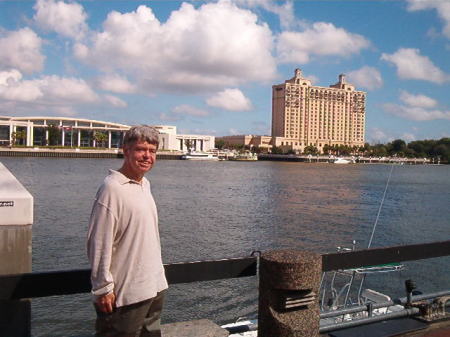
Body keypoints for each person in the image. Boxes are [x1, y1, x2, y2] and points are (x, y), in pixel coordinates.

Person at [87, 125, 168, 337]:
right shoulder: (111, 189)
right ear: (126, 151)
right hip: (126, 294)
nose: (147, 156)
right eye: (141, 149)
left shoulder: (144, 184)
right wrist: (103, 288)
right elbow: (99, 242)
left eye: (152, 151)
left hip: (154, 285)